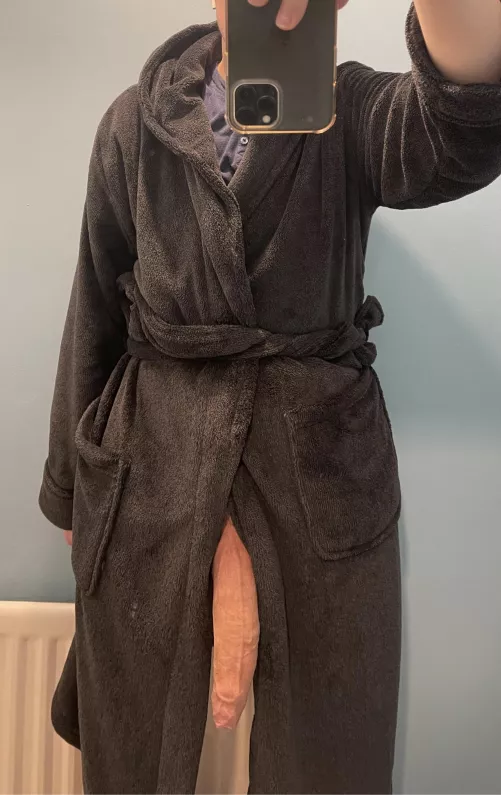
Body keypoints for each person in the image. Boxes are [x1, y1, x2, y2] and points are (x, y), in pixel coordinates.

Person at [39, 0, 501, 792]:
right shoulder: (134, 124)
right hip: (156, 459)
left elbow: (461, 125)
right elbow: (95, 307)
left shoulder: (350, 113)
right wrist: (71, 490)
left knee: (328, 752)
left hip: (318, 470)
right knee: (133, 745)